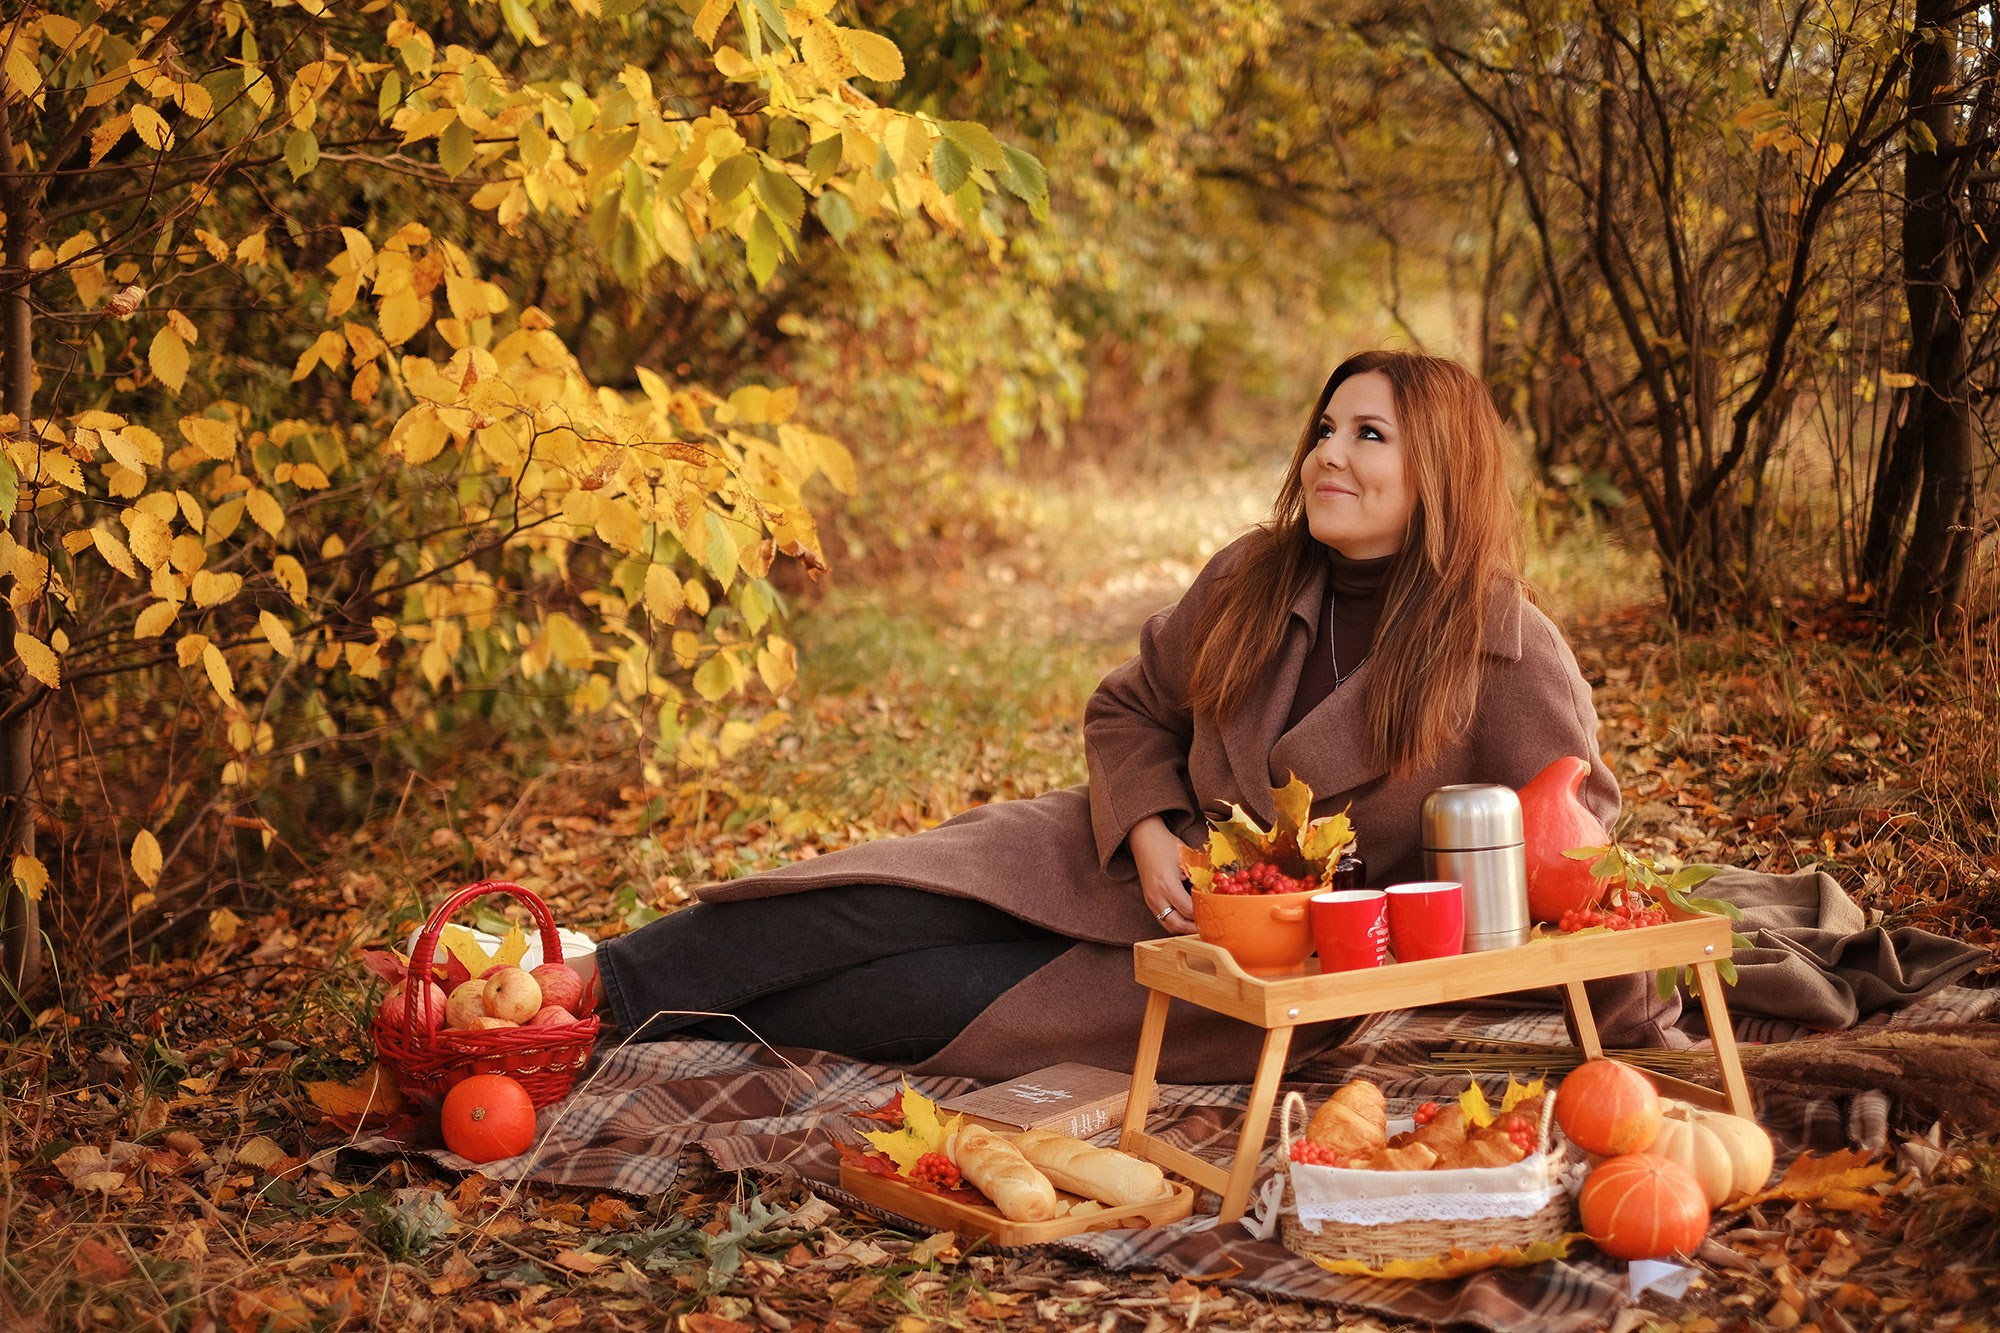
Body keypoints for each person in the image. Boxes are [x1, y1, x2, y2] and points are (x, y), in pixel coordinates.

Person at [592, 350, 1681, 1083]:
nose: (1328, 454)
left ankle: (630, 1018)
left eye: (1369, 435)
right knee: (859, 896)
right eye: (1324, 428)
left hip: (1245, 973)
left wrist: (1636, 1041)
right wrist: (1151, 828)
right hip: (1111, 853)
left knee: (895, 1002)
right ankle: (577, 990)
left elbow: (1575, 854)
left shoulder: (1500, 645)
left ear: (1440, 465)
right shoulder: (1253, 575)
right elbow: (1129, 707)